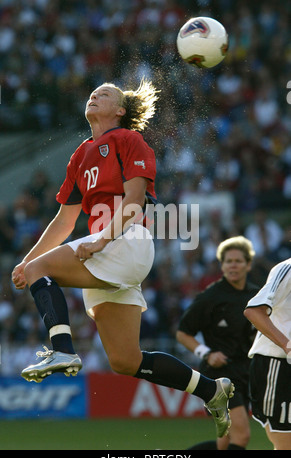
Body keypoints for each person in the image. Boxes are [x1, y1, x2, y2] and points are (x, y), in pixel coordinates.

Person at [11, 78, 234, 438]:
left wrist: (99, 243)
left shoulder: (129, 140)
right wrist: (26, 261)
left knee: (42, 269)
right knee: (125, 361)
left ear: (121, 111)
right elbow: (65, 220)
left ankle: (63, 350)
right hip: (108, 246)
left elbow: (135, 201)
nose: (94, 95)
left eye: (105, 94)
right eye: (92, 93)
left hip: (124, 239)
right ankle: (212, 390)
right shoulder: (80, 155)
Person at [177, 236, 259, 450]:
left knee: (224, 443)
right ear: (222, 266)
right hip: (218, 376)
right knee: (241, 437)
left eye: (238, 261)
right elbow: (183, 333)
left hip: (244, 372)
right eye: (228, 261)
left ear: (248, 264)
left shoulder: (257, 296)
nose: (233, 265)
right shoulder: (210, 297)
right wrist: (206, 353)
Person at [244, 257, 291, 450]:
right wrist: (287, 345)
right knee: (285, 443)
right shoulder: (287, 269)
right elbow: (254, 311)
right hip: (278, 365)